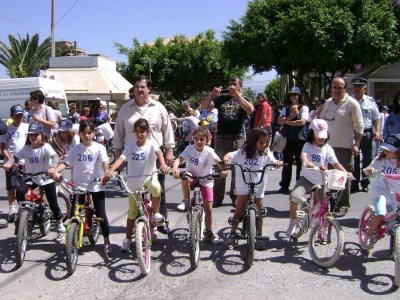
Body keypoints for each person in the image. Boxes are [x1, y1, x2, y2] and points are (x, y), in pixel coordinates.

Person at [113, 75, 175, 234]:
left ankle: (160, 221)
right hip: (133, 155)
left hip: (155, 154)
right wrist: (117, 155)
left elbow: (167, 130)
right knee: (135, 192)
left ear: (149, 89)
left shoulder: (159, 107)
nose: (139, 90)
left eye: (142, 87)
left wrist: (169, 151)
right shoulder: (125, 109)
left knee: (158, 189)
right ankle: (137, 222)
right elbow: (118, 133)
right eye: (137, 87)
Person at [104, 119, 169, 251]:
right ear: (134, 133)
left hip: (148, 178)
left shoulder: (151, 145)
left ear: (148, 132)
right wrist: (111, 170)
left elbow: (159, 154)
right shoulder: (130, 147)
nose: (140, 134)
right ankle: (128, 239)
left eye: (143, 131)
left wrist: (163, 164)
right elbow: (121, 159)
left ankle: (155, 213)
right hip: (133, 182)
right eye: (137, 132)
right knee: (132, 213)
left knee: (157, 189)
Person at [52, 120, 112, 253]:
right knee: (74, 213)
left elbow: (105, 162)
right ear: (79, 134)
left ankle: (106, 240)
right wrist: (56, 171)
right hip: (79, 184)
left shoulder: (99, 148)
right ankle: (73, 237)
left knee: (101, 214)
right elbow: (66, 163)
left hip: (96, 184)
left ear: (94, 133)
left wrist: (106, 173)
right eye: (84, 133)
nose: (87, 136)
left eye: (90, 133)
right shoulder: (76, 149)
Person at [285, 119, 352, 237]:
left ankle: (323, 230)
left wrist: (346, 173)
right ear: (312, 134)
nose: (321, 139)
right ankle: (293, 221)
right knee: (294, 197)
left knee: (324, 207)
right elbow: (303, 156)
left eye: (323, 137)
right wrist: (306, 162)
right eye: (318, 136)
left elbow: (336, 163)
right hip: (307, 178)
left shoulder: (328, 148)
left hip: (322, 181)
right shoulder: (308, 145)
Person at [4, 123, 65, 242]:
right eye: (31, 135)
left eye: (36, 135)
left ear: (42, 135)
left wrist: (52, 167)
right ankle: (24, 215)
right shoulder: (26, 148)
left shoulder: (46, 147)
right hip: (32, 178)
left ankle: (60, 227)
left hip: (46, 178)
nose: (33, 137)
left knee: (53, 204)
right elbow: (15, 158)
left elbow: (55, 157)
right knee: (21, 191)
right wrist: (9, 163)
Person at [224, 128, 283, 250]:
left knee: (260, 208)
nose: (264, 145)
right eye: (261, 142)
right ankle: (233, 233)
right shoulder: (243, 152)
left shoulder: (266, 152)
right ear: (253, 141)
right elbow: (229, 155)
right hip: (244, 184)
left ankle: (259, 235)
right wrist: (226, 159)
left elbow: (273, 161)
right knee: (239, 208)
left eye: (265, 142)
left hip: (259, 184)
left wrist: (277, 162)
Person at [201, 76, 254, 207]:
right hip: (221, 138)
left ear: (240, 86)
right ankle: (217, 198)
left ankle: (236, 197)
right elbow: (204, 107)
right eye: (230, 83)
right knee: (219, 168)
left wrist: (237, 95)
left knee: (237, 168)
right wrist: (212, 95)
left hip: (237, 138)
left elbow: (250, 110)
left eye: (235, 84)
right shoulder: (221, 99)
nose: (231, 85)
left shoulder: (244, 99)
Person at [172, 127, 227, 243]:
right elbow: (178, 159)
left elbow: (219, 161)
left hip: (206, 180)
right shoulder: (189, 149)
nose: (199, 141)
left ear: (207, 140)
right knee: (185, 176)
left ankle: (209, 232)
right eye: (196, 139)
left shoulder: (209, 151)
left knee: (209, 209)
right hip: (192, 177)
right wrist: (175, 169)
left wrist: (223, 170)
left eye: (202, 139)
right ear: (193, 139)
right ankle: (187, 201)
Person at [320, 76, 364, 217]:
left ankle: (343, 204)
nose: (337, 90)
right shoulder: (328, 102)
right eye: (334, 87)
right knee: (328, 175)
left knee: (342, 176)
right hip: (327, 146)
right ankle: (331, 201)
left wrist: (356, 144)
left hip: (344, 147)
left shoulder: (352, 103)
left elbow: (359, 126)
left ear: (345, 88)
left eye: (340, 87)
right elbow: (322, 121)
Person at [362, 134, 400, 250]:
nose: (386, 152)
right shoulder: (380, 160)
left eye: (390, 150)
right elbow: (367, 170)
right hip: (380, 190)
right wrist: (370, 170)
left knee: (394, 218)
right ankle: (368, 235)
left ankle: (395, 246)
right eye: (385, 149)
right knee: (380, 213)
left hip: (395, 192)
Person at [351, 78, 381, 193]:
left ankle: (365, 183)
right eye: (355, 87)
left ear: (365, 88)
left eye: (360, 87)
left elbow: (376, 117)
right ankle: (353, 183)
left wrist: (377, 131)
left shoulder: (370, 101)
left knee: (367, 160)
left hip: (367, 133)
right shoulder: (349, 100)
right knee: (354, 160)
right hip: (353, 133)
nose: (357, 89)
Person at [0, 104, 30, 222]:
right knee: (11, 187)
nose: (19, 118)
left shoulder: (27, 127)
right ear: (11, 116)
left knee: (25, 187)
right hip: (11, 162)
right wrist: (11, 160)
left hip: (26, 162)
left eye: (21, 116)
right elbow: (3, 147)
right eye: (17, 116)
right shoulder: (7, 130)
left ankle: (24, 209)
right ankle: (12, 209)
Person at [277, 86, 309, 194]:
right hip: (288, 139)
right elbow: (279, 121)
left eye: (295, 95)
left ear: (299, 96)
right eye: (291, 95)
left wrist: (287, 121)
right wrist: (293, 115)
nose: (293, 97)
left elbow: (302, 122)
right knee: (287, 163)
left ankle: (299, 186)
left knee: (301, 164)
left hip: (300, 139)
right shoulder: (285, 108)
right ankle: (284, 185)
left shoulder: (304, 108)